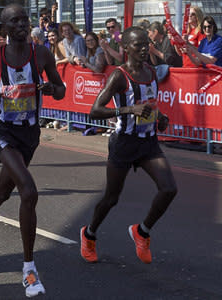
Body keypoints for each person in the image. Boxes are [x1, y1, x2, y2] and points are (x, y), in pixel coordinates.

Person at [0, 4, 66, 298]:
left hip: (29, 134)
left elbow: (61, 90)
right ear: (4, 27)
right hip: (3, 132)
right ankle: (29, 271)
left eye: (25, 20)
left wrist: (50, 89)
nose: (22, 24)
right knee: (29, 191)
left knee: (2, 193)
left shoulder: (41, 54)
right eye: (15, 21)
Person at [80, 27, 177, 265]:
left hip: (148, 143)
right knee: (112, 198)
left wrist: (160, 117)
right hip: (124, 143)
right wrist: (127, 110)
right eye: (138, 45)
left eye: (146, 44)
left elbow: (150, 104)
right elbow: (94, 111)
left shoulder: (152, 72)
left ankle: (142, 232)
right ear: (125, 48)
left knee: (169, 189)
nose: (144, 49)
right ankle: (89, 234)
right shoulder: (119, 76)